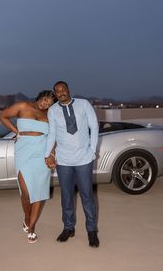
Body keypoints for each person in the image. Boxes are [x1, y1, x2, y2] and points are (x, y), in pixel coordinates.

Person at [45, 81, 100, 247]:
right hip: (63, 160)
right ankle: (68, 227)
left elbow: (94, 127)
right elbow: (52, 133)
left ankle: (91, 230)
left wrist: (92, 151)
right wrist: (47, 154)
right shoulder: (52, 110)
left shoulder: (84, 104)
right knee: (67, 196)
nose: (61, 92)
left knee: (87, 195)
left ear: (68, 90)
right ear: (55, 94)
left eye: (63, 89)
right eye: (57, 91)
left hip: (84, 159)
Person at [0, 90, 56, 243]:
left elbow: (54, 136)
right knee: (26, 193)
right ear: (40, 97)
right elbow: (2, 116)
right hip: (24, 151)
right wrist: (16, 131)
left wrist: (52, 154)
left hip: (42, 152)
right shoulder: (23, 106)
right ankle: (26, 217)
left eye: (49, 103)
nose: (45, 104)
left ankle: (31, 227)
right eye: (44, 100)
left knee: (39, 192)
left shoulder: (50, 115)